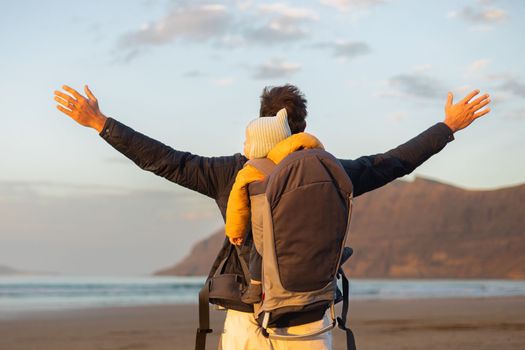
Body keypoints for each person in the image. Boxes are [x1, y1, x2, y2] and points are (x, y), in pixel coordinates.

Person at [53, 83, 490, 349]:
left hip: (248, 316)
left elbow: (166, 160)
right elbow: (393, 162)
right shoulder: (331, 171)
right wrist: (447, 126)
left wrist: (101, 123)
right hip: (312, 315)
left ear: (261, 124)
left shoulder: (232, 172)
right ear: (299, 127)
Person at [225, 107, 324, 304]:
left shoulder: (250, 171)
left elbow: (238, 205)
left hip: (269, 232)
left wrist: (235, 231)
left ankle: (255, 286)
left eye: (247, 142)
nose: (244, 146)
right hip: (304, 228)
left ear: (259, 145)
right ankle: (333, 257)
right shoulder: (302, 162)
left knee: (257, 250)